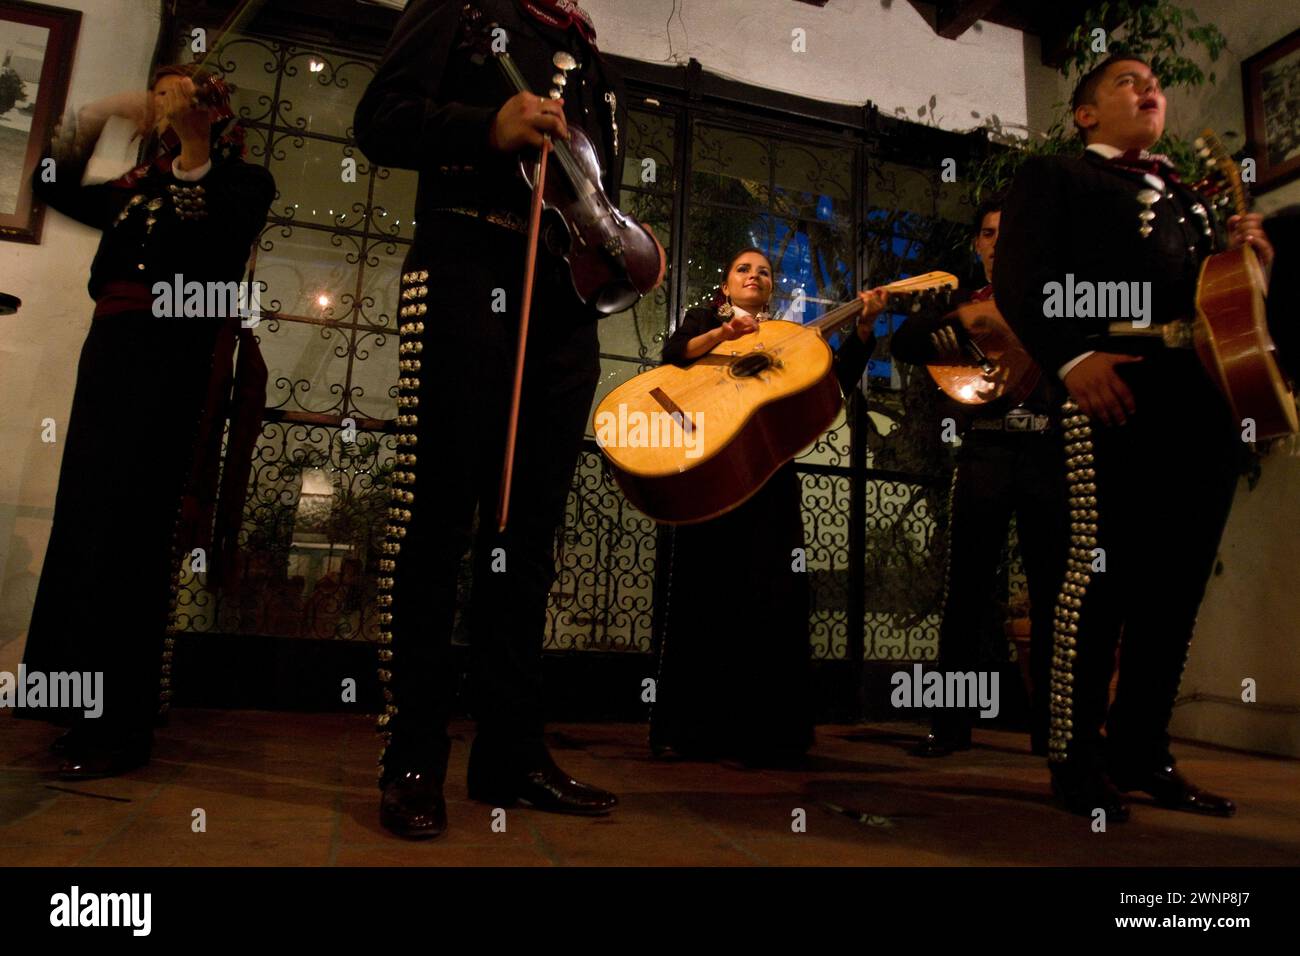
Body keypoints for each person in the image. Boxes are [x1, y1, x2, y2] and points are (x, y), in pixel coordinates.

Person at [353, 0, 664, 839]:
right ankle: (413, 759)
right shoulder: (453, 9)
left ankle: (510, 754)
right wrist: (483, 127)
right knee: (440, 520)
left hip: (562, 303)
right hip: (464, 268)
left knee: (528, 540)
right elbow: (379, 121)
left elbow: (586, 189)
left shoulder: (590, 55)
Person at [995, 54, 1273, 821]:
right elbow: (1021, 278)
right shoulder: (1058, 177)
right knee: (1095, 586)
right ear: (1085, 113)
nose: (1149, 88)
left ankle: (1142, 751)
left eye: (1155, 82)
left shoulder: (1188, 198)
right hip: (1111, 390)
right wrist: (1071, 356)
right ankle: (1075, 760)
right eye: (1126, 80)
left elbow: (1221, 304)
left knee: (1174, 591)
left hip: (1200, 399)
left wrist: (1254, 265)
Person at [19, 64, 274, 777]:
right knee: (86, 528)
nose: (164, 105)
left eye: (178, 93)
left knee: (133, 535)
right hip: (110, 359)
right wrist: (100, 110)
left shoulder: (240, 185)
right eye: (159, 93)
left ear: (212, 110)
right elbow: (48, 183)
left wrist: (195, 143)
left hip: (173, 361)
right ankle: (75, 711)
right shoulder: (138, 189)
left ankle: (121, 728)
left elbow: (211, 245)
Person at [651, 247, 886, 765]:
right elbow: (675, 353)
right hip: (711, 471)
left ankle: (766, 735)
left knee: (772, 599)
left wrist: (863, 332)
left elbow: (832, 385)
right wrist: (723, 334)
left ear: (771, 289)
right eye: (743, 269)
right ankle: (689, 730)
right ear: (728, 285)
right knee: (703, 597)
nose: (754, 275)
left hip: (769, 476)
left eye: (764, 271)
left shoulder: (785, 339)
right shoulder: (705, 318)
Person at [889, 197, 1066, 758]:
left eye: (1008, 232)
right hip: (986, 450)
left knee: (1053, 595)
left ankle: (1053, 733)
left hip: (1046, 451)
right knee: (964, 590)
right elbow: (907, 341)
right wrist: (953, 333)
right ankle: (950, 727)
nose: (998, 241)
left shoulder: (1055, 302)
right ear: (977, 244)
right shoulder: (967, 300)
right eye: (989, 233)